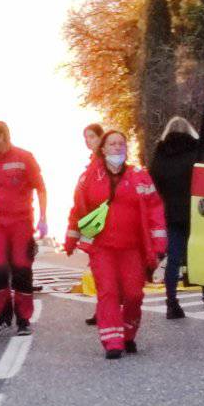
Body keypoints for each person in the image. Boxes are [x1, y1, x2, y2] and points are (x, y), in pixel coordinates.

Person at [65, 130, 167, 359]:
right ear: (103, 149)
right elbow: (78, 210)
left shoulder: (140, 177)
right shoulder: (89, 178)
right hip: (103, 248)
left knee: (133, 295)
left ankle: (128, 333)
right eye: (112, 144)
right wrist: (71, 238)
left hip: (132, 248)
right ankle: (113, 341)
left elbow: (155, 209)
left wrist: (159, 242)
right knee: (108, 292)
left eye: (121, 144)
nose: (117, 148)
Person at [149, 117, 204, 319]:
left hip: (171, 213)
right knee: (202, 256)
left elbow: (153, 185)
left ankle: (172, 303)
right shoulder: (198, 152)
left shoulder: (160, 155)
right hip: (198, 212)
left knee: (173, 258)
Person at [0, 121, 47, 336]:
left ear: (1, 136)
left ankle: (23, 319)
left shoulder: (24, 158)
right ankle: (2, 316)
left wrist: (43, 218)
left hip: (21, 223)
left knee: (21, 269)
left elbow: (40, 188)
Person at [82, 123, 104, 326]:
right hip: (93, 219)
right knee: (97, 266)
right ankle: (102, 307)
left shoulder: (104, 162)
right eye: (86, 138)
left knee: (102, 266)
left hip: (102, 219)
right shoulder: (93, 162)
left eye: (91, 137)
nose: (88, 141)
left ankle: (105, 307)